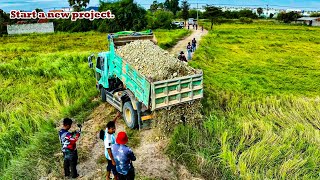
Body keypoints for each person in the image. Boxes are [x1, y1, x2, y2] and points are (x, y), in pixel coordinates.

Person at [105, 112, 121, 180]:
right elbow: (109, 150)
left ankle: (107, 177)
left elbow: (112, 123)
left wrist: (116, 117)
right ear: (109, 129)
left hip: (108, 155)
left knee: (109, 165)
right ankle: (115, 178)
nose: (114, 130)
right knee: (114, 169)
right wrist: (113, 160)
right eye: (112, 129)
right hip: (110, 155)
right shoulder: (108, 139)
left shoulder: (107, 130)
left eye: (114, 128)